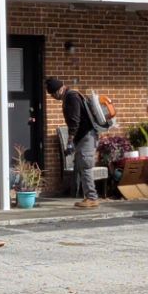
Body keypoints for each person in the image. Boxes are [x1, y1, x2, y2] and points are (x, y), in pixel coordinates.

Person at [46, 75, 100, 208]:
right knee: (82, 165)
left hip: (87, 136)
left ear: (59, 89)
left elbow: (75, 121)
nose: (53, 97)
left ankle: (91, 198)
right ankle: (87, 196)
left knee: (85, 166)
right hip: (84, 137)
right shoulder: (71, 96)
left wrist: (70, 141)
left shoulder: (71, 97)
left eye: (53, 94)